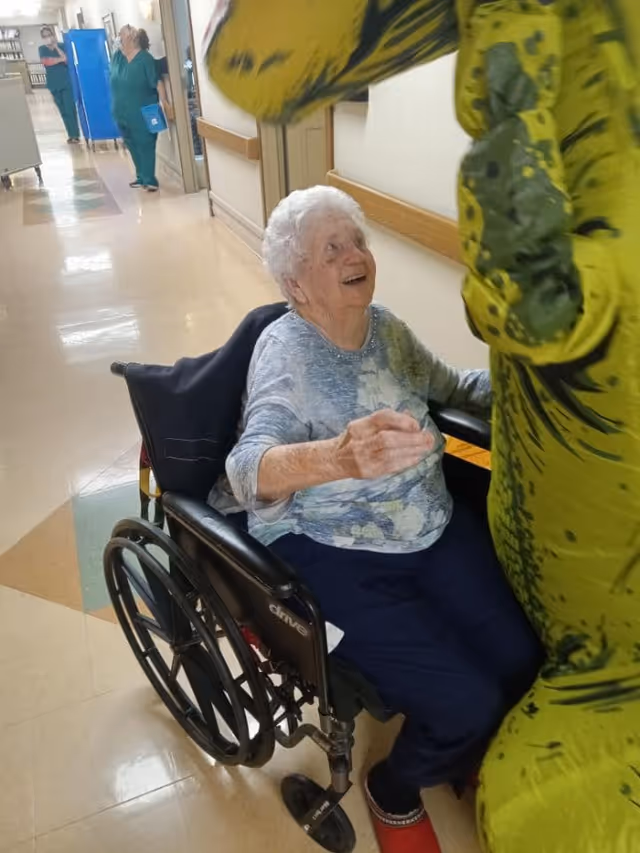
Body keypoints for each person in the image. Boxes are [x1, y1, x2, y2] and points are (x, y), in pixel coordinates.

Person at [210, 186, 543, 853]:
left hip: (429, 523)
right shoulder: (286, 351)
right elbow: (247, 469)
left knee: (522, 655)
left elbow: (453, 386)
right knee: (465, 700)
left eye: (356, 240)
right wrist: (338, 455)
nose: (355, 254)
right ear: (296, 283)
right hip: (335, 549)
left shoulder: (385, 328)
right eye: (331, 248)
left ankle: (464, 747)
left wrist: (527, 373)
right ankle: (393, 788)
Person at [110, 26, 169, 192]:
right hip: (121, 110)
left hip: (144, 110)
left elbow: (157, 82)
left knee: (146, 143)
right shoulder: (117, 58)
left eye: (120, 34)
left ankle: (150, 180)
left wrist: (164, 102)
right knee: (131, 143)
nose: (118, 38)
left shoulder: (145, 59)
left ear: (130, 38)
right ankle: (141, 176)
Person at [38, 26, 80, 143]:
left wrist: (56, 47)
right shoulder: (42, 49)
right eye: (44, 36)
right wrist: (60, 59)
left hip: (66, 83)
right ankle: (70, 135)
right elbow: (46, 62)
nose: (47, 38)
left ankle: (75, 135)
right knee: (62, 110)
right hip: (53, 84)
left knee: (69, 109)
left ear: (53, 35)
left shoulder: (62, 46)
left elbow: (67, 60)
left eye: (49, 35)